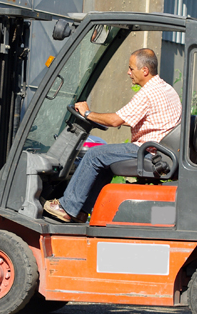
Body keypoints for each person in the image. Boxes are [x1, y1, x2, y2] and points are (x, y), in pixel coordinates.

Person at [43, 48, 182, 223]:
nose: (128, 72)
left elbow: (116, 120)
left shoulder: (148, 93)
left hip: (147, 151)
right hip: (159, 151)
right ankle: (81, 211)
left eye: (131, 68)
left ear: (144, 71)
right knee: (105, 162)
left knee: (95, 154)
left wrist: (87, 114)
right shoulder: (166, 88)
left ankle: (67, 207)